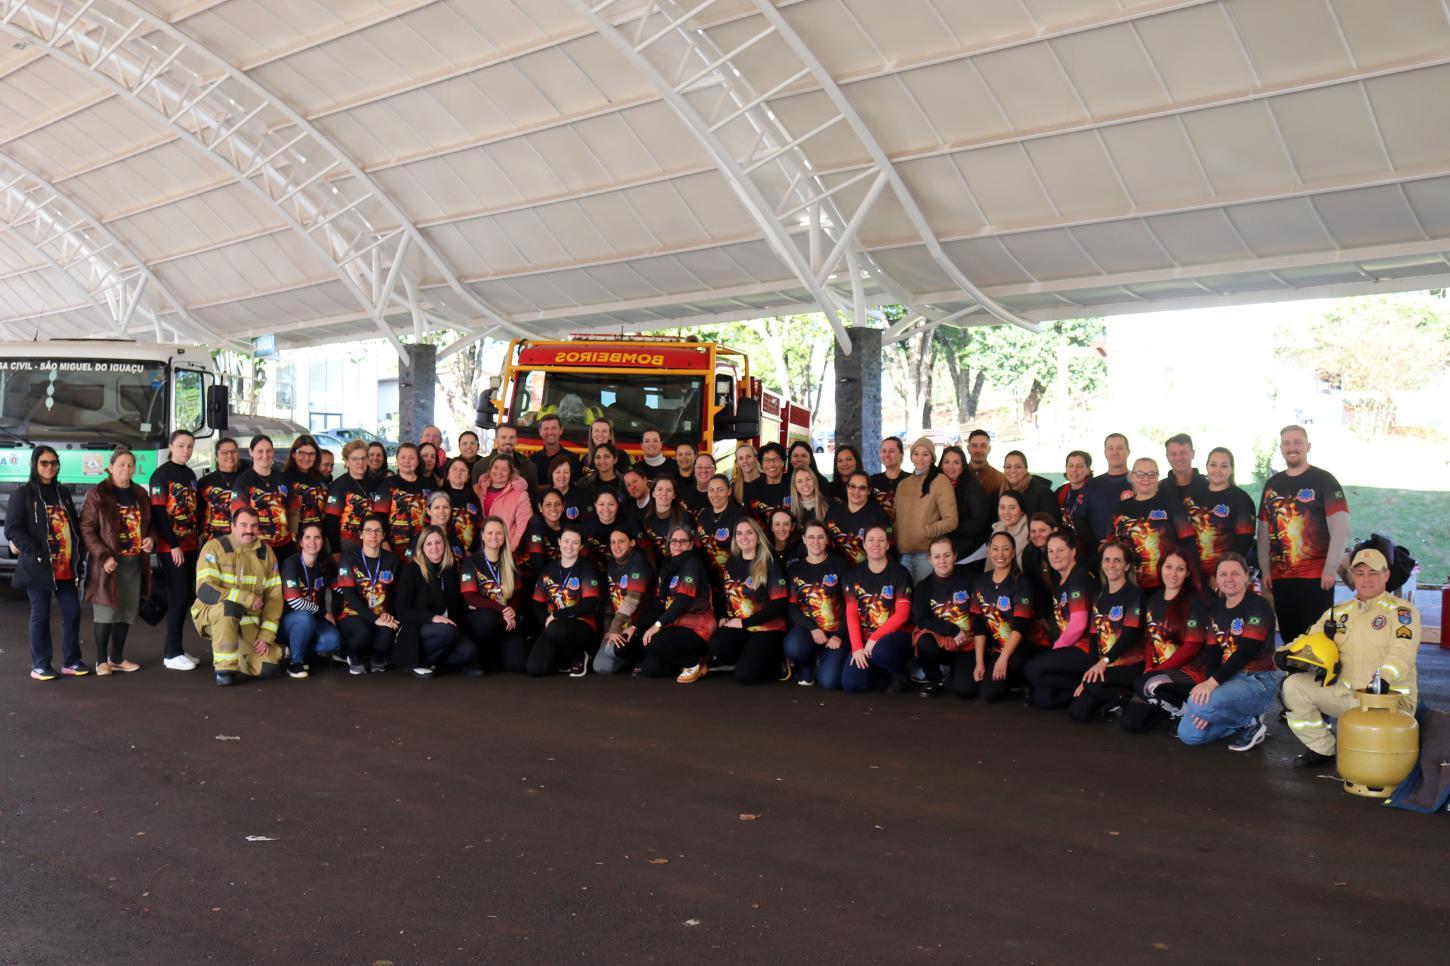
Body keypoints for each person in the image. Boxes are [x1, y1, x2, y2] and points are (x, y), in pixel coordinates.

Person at [1279, 547, 1420, 768]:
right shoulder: (1338, 612)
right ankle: (1322, 749)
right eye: (1360, 573)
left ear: (1386, 575)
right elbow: (1309, 636)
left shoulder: (1402, 612)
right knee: (1293, 685)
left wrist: (1383, 679)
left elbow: (1403, 651)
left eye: (1373, 573)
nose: (1366, 579)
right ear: (1352, 577)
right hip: (1347, 695)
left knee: (1375, 767)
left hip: (1387, 701)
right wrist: (1284, 653)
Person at [1178, 553, 1281, 751]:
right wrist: (1209, 694)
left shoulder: (1258, 605)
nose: (1229, 579)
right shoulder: (1216, 608)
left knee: (1198, 703)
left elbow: (1247, 652)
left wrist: (1210, 686)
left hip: (1256, 681)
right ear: (1216, 579)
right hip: (1227, 680)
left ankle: (1250, 722)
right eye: (1223, 574)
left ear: (1246, 576)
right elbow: (1212, 652)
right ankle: (1241, 722)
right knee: (1189, 735)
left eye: (1235, 573)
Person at [1257, 424, 1349, 645]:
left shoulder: (1324, 480)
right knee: (1290, 639)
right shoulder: (1272, 485)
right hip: (1281, 579)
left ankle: (1317, 680)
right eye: (1287, 443)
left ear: (1308, 446)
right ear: (1281, 448)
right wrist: (1265, 569)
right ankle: (1294, 678)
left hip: (1316, 578)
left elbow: (1341, 527)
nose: (1292, 447)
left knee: (1317, 639)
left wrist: (1330, 569)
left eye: (1297, 442)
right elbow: (1263, 532)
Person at [7, 446, 88, 680]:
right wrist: (36, 550)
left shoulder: (62, 492)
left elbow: (73, 526)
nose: (50, 467)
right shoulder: (22, 495)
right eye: (44, 463)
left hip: (65, 567)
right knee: (40, 614)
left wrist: (78, 557)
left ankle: (71, 661)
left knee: (72, 613)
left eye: (54, 463)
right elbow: (12, 528)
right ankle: (40, 665)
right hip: (38, 566)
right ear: (35, 464)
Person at [192, 506, 285, 686]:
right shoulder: (214, 547)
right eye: (243, 525)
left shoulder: (266, 554)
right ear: (232, 526)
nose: (249, 530)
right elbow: (205, 590)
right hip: (211, 613)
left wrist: (266, 635)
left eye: (253, 526)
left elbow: (274, 598)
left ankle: (240, 652)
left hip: (248, 621)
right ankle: (225, 669)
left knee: (270, 668)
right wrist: (246, 598)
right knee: (229, 607)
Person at [80, 448, 152, 675]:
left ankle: (117, 658)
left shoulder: (140, 493)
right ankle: (101, 661)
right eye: (121, 464)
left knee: (126, 611)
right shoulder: (98, 493)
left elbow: (149, 526)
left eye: (130, 464)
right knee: (105, 612)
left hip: (133, 562)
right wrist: (104, 555)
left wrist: (151, 540)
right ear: (110, 467)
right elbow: (87, 528)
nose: (126, 469)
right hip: (108, 564)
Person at [1120, 549, 1209, 734]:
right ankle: (1173, 709)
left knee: (1143, 684)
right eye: (1168, 567)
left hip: (1188, 672)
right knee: (1131, 723)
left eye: (1180, 569)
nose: (1173, 574)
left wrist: (1156, 671)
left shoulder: (1194, 602)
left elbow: (1192, 647)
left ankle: (1182, 707)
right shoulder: (1153, 599)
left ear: (1188, 573)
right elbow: (1150, 640)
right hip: (1158, 676)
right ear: (1160, 568)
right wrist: (1148, 668)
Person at [1067, 543, 1145, 723]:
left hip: (1128, 666)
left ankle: (1124, 696)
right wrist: (1089, 672)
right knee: (1078, 712)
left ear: (1126, 566)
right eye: (1107, 560)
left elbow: (1129, 636)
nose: (1111, 565)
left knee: (1090, 687)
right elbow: (1094, 638)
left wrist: (1104, 662)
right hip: (1105, 667)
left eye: (1117, 561)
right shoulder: (1099, 596)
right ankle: (1116, 698)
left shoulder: (1135, 595)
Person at [708, 518, 789, 685]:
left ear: (758, 537)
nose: (744, 537)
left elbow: (778, 605)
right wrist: (724, 616)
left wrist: (744, 623)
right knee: (716, 643)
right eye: (739, 533)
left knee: (745, 676)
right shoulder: (731, 562)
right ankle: (749, 658)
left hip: (767, 629)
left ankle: (776, 663)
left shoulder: (770, 563)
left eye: (749, 533)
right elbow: (728, 594)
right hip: (741, 627)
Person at [969, 532, 1045, 703]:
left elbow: (1020, 626)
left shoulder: (1022, 582)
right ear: (989, 552)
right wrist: (979, 662)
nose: (1000, 554)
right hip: (998, 648)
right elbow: (979, 625)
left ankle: (1021, 680)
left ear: (1013, 552)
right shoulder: (980, 582)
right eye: (995, 549)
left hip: (1023, 645)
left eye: (1005, 549)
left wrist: (1003, 659)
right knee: (977, 689)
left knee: (992, 691)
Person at [149, 430, 202, 670]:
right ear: (171, 446)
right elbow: (159, 514)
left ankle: (178, 649)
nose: (186, 451)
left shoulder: (190, 474)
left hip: (191, 544)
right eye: (181, 446)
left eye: (190, 446)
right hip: (171, 547)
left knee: (186, 596)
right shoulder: (161, 475)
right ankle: (171, 653)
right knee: (179, 595)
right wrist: (173, 545)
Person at [395, 526, 481, 677]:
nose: (434, 547)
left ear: (444, 544)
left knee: (469, 651)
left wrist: (470, 603)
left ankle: (430, 661)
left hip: (447, 626)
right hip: (418, 627)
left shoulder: (450, 567)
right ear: (422, 547)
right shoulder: (412, 570)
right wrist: (432, 618)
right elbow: (402, 610)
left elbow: (455, 600)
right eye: (429, 544)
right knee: (447, 632)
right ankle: (415, 662)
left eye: (438, 542)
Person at [1023, 530, 1094, 709]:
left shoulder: (1078, 578)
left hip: (1086, 650)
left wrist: (1056, 648)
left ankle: (1090, 688)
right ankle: (1078, 686)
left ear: (1073, 552)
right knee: (1043, 699)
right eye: (1051, 551)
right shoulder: (1061, 579)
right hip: (1070, 648)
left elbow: (1078, 625)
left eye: (1060, 550)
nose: (1055, 556)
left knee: (1032, 669)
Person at [1108, 457, 1198, 592]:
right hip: (1127, 583)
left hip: (1165, 584)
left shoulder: (1172, 505)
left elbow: (1188, 542)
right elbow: (1112, 545)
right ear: (1132, 477)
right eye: (1140, 474)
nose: (1146, 478)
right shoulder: (1120, 508)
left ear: (1157, 478)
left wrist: (1193, 579)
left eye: (1151, 474)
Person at [841, 526, 913, 693]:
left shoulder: (899, 573)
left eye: (881, 540)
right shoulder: (853, 574)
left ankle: (900, 673)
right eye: (871, 540)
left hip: (894, 637)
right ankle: (880, 672)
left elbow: (902, 614)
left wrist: (875, 637)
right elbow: (851, 613)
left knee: (881, 652)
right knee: (851, 685)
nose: (876, 544)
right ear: (864, 545)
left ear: (888, 545)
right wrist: (857, 647)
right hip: (866, 640)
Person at [639, 527, 716, 682]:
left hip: (697, 627)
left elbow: (682, 600)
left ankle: (693, 663)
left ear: (691, 545)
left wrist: (657, 625)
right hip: (675, 624)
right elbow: (660, 602)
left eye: (683, 541)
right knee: (650, 669)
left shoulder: (692, 564)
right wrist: (637, 626)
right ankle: (687, 661)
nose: (678, 545)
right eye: (674, 541)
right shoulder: (668, 567)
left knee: (656, 642)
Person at [912, 536, 979, 698]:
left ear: (955, 556)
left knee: (966, 691)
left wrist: (970, 632)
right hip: (943, 643)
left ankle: (960, 670)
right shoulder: (923, 587)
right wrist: (953, 630)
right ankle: (935, 680)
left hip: (968, 644)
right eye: (937, 556)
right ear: (930, 559)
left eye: (947, 555)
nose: (942, 561)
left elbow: (981, 611)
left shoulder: (971, 578)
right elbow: (921, 619)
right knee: (924, 642)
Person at [783, 521, 848, 688]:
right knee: (793, 647)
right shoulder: (796, 569)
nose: (815, 541)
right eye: (811, 537)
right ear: (804, 539)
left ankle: (824, 659)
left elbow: (852, 604)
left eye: (820, 537)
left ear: (827, 540)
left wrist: (839, 635)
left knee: (829, 682)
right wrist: (813, 628)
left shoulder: (840, 564)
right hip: (808, 629)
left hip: (836, 631)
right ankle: (807, 665)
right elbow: (792, 606)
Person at [528, 527, 601, 677]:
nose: (569, 546)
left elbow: (590, 603)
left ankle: (579, 657)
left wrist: (557, 615)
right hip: (555, 626)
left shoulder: (586, 569)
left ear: (581, 547)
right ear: (559, 542)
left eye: (575, 543)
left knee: (556, 628)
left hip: (582, 625)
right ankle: (564, 655)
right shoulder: (548, 570)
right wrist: (547, 622)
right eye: (566, 541)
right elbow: (537, 603)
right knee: (535, 668)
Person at [334, 515, 402, 675]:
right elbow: (349, 595)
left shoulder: (392, 559)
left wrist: (388, 615)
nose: (373, 535)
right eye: (369, 531)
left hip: (381, 613)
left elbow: (396, 593)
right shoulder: (350, 558)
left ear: (383, 535)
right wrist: (375, 620)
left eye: (378, 531)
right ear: (361, 534)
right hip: (353, 613)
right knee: (364, 633)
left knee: (387, 634)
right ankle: (352, 654)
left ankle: (378, 658)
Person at [460, 517, 528, 673]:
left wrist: (511, 610)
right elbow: (470, 597)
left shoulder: (510, 562)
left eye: (499, 533)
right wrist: (502, 609)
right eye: (490, 533)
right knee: (487, 618)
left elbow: (517, 593)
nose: (494, 537)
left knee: (518, 665)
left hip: (504, 620)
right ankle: (479, 656)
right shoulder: (471, 562)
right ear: (482, 536)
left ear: (504, 536)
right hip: (480, 619)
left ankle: (497, 653)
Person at [1185, 446, 1255, 589]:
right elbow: (1184, 533)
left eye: (1224, 466)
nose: (1217, 470)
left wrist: (1220, 573)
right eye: (1213, 465)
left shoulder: (1241, 499)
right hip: (1192, 573)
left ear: (1231, 469)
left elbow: (1244, 541)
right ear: (1206, 466)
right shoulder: (1191, 494)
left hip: (1224, 577)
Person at [892, 437, 958, 583]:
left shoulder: (940, 481)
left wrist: (926, 531)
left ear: (932, 458)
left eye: (925, 454)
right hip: (903, 553)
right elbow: (896, 518)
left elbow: (951, 521)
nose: (920, 458)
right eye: (916, 453)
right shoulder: (903, 484)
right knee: (906, 599)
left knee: (923, 597)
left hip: (926, 553)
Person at [278, 521, 340, 679]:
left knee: (332, 640)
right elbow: (294, 601)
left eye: (317, 537)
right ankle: (295, 663)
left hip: (313, 618)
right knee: (304, 617)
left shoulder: (325, 563)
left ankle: (299, 648)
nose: (312, 542)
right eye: (308, 537)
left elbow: (339, 587)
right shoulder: (291, 563)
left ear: (323, 541)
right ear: (300, 541)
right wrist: (324, 612)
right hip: (288, 620)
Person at [594, 526, 658, 675]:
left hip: (641, 625)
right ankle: (628, 659)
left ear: (632, 542)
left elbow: (632, 600)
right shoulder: (611, 563)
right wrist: (608, 631)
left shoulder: (639, 561)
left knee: (615, 651)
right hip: (622, 625)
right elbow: (611, 601)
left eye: (621, 541)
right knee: (600, 666)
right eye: (613, 542)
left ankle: (640, 655)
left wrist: (615, 629)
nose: (617, 546)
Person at [231, 435, 294, 561]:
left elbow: (293, 511)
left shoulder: (283, 479)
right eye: (260, 451)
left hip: (284, 546)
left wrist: (294, 533)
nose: (265, 455)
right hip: (256, 547)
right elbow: (238, 517)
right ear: (251, 452)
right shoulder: (243, 481)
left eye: (269, 451)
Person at [325, 440, 389, 552]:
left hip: (372, 542)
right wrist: (336, 551)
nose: (360, 462)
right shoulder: (339, 485)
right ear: (346, 461)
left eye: (364, 458)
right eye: (355, 459)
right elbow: (331, 521)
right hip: (347, 543)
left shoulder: (376, 483)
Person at [825, 470, 892, 565]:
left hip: (866, 572)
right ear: (847, 487)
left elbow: (886, 549)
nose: (856, 491)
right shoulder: (833, 511)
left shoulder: (878, 515)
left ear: (869, 491)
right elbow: (824, 541)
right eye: (852, 486)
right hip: (835, 569)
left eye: (862, 488)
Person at [937, 445, 991, 562]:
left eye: (956, 462)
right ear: (941, 465)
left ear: (962, 466)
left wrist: (947, 530)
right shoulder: (934, 485)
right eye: (946, 462)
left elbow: (978, 521)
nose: (950, 467)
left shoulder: (972, 487)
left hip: (968, 550)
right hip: (942, 548)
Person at [472, 456, 533, 554]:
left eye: (504, 469)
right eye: (495, 468)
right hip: (480, 548)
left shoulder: (520, 495)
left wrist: (509, 549)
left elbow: (523, 526)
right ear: (490, 469)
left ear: (510, 473)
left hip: (505, 549)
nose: (499, 472)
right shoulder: (478, 489)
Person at [694, 473, 746, 588]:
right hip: (707, 578)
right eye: (711, 490)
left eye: (720, 490)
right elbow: (697, 546)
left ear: (729, 491)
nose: (715, 495)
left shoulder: (739, 515)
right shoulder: (703, 515)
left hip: (732, 578)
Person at [1080, 433, 1132, 544]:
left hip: (1133, 551)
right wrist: (1095, 545)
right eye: (1110, 448)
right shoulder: (1092, 484)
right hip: (1100, 551)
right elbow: (1080, 519)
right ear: (1105, 453)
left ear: (1128, 452)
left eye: (1120, 448)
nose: (1115, 452)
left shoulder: (1139, 482)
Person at [384, 443, 430, 558]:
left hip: (424, 549)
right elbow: (379, 517)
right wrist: (384, 543)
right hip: (393, 548)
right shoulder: (387, 484)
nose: (407, 461)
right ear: (397, 459)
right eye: (403, 457)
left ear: (418, 461)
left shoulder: (429, 485)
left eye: (411, 458)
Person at [284, 436, 329, 546]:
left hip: (317, 539)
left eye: (311, 454)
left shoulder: (321, 480)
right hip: (293, 540)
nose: (307, 458)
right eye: (302, 453)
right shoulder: (284, 479)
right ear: (293, 454)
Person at [197, 437, 242, 541]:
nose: (230, 455)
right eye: (224, 452)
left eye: (233, 451)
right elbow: (197, 514)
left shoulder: (246, 480)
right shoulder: (204, 483)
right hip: (212, 542)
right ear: (216, 456)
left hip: (241, 541)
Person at [472, 423, 539, 490]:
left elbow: (533, 496)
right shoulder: (480, 466)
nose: (508, 441)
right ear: (496, 440)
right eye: (503, 437)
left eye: (511, 437)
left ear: (516, 440)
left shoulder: (528, 466)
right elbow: (476, 496)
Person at [522, 489, 570, 580]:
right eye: (548, 504)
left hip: (557, 576)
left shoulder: (568, 526)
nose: (553, 508)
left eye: (558, 504)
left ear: (564, 506)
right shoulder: (536, 523)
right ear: (540, 507)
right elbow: (537, 564)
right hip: (530, 577)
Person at [641, 475, 691, 562]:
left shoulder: (685, 518)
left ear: (674, 495)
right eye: (660, 489)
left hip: (683, 565)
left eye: (669, 490)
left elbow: (690, 550)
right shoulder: (646, 521)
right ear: (653, 493)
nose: (664, 493)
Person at [584, 489, 642, 562]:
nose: (606, 509)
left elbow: (643, 550)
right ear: (595, 504)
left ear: (617, 504)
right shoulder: (588, 526)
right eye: (601, 504)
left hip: (626, 568)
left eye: (611, 504)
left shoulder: (630, 524)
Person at [438, 458, 481, 556]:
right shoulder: (440, 496)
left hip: (470, 553)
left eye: (463, 470)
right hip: (444, 550)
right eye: (454, 469)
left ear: (468, 477)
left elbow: (478, 527)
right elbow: (437, 526)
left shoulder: (474, 498)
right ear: (447, 475)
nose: (458, 473)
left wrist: (473, 552)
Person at [1000, 451, 1057, 520]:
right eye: (1008, 467)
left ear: (1026, 469)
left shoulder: (1043, 493)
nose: (1012, 470)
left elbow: (1051, 525)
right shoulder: (998, 493)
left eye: (1018, 467)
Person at [529, 414, 580, 489]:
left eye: (554, 428)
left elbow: (574, 486)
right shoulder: (532, 460)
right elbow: (531, 488)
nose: (550, 432)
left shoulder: (573, 459)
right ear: (540, 432)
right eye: (546, 428)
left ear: (561, 430)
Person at [743, 442, 791, 523]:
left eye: (776, 460)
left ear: (783, 462)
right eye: (767, 460)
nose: (771, 464)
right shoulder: (751, 489)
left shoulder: (793, 484)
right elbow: (748, 520)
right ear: (761, 464)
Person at [1159, 433, 1209, 507]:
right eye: (1173, 454)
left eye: (1183, 453)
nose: (1178, 458)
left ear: (1193, 454)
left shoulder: (1208, 486)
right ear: (1167, 457)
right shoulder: (1159, 489)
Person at [548, 453, 592, 524]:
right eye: (558, 472)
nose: (562, 476)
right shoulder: (543, 496)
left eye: (566, 472)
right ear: (551, 474)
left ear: (571, 474)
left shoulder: (584, 495)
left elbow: (588, 524)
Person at [869, 436, 906, 519]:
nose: (887, 455)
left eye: (892, 451)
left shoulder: (911, 480)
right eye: (884, 451)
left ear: (901, 454)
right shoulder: (872, 481)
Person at [1055, 450, 1092, 532]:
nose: (1074, 470)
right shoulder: (1060, 491)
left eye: (1079, 466)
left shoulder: (1095, 491)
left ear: (1088, 470)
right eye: (1070, 466)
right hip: (1065, 540)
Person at [965, 429, 1005, 495]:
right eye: (974, 446)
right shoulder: (958, 476)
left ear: (989, 449)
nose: (978, 450)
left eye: (983, 446)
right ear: (968, 448)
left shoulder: (1000, 480)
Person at [729, 443, 760, 507]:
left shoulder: (768, 480)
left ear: (756, 458)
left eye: (748, 456)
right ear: (737, 463)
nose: (745, 461)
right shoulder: (733, 486)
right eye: (741, 458)